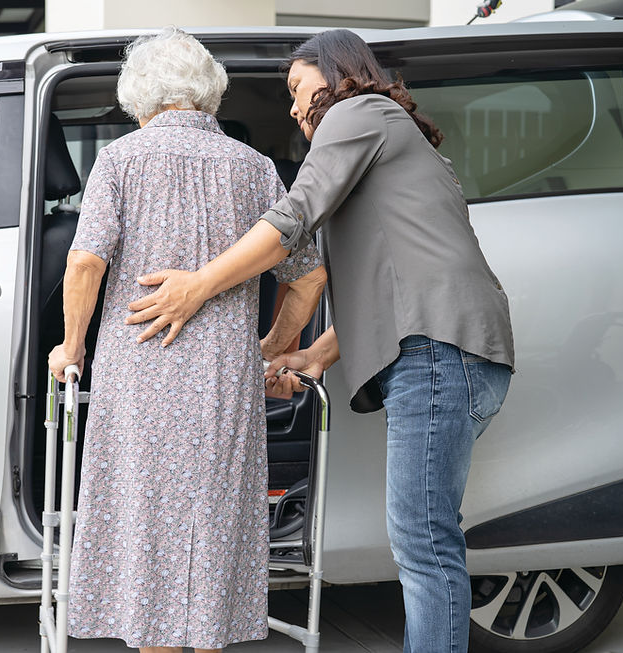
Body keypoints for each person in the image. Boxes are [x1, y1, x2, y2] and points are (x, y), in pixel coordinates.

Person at [124, 29, 514, 653]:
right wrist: (311, 354)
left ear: (338, 76)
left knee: (425, 540)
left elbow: (291, 220)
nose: (293, 107)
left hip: (441, 354)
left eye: (297, 88)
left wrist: (197, 285)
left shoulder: (359, 113)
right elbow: (389, 283)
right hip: (452, 353)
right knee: (425, 535)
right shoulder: (388, 136)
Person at [47, 27, 326, 653]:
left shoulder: (120, 160)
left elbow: (86, 264)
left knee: (148, 530)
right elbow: (307, 280)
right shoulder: (256, 170)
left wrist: (71, 348)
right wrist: (270, 352)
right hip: (225, 386)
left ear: (139, 97)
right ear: (210, 94)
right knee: (214, 525)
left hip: (139, 380)